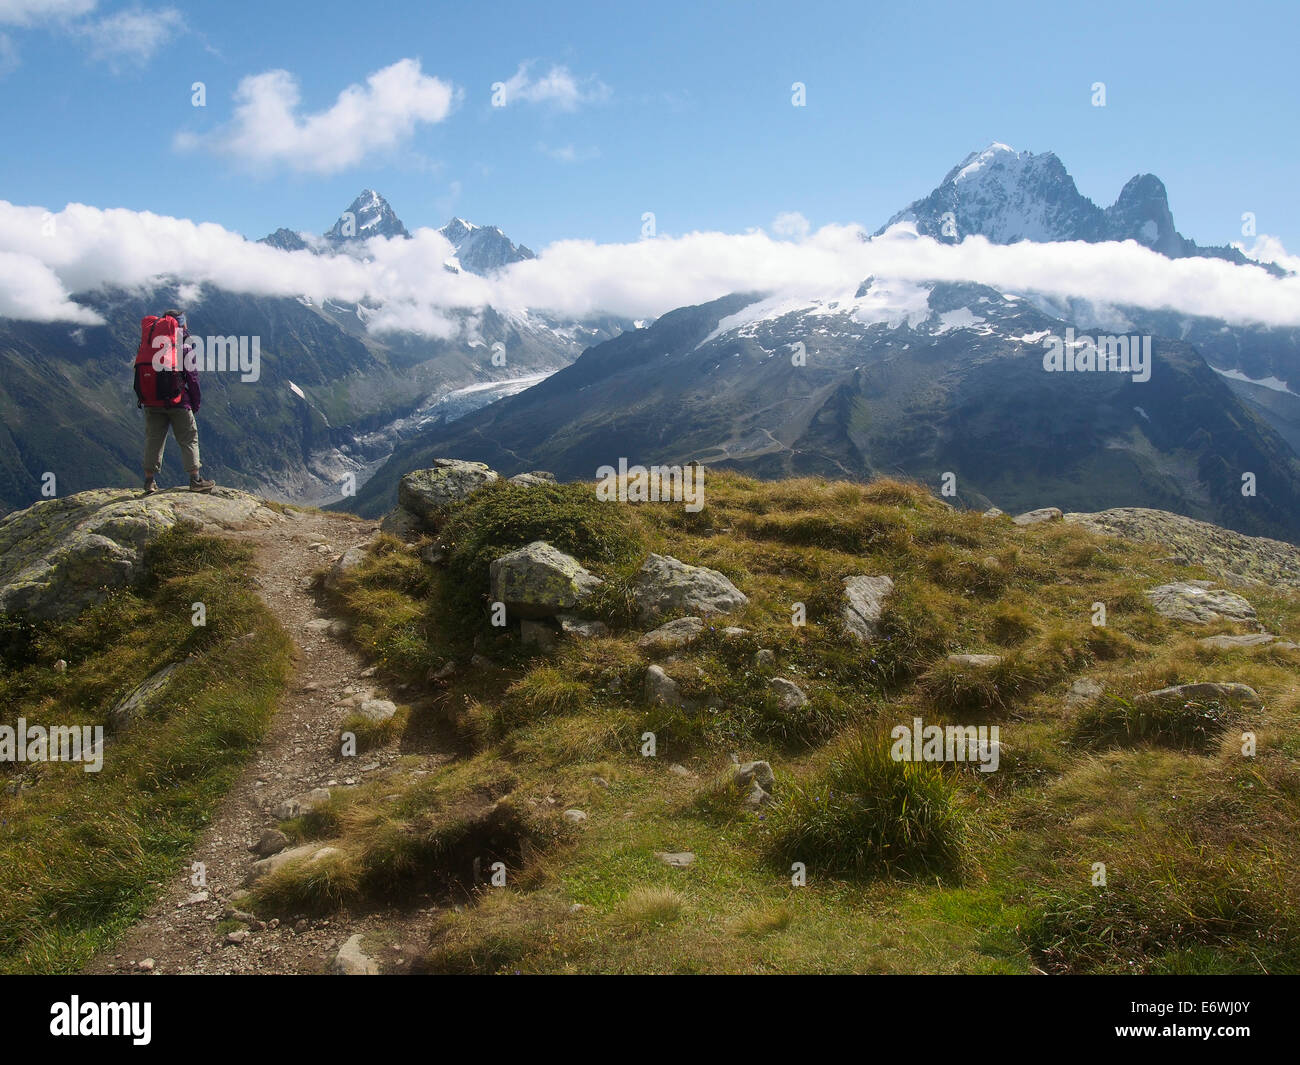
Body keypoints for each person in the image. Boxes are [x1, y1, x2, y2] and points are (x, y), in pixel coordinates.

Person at [139, 309, 215, 494]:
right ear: (181, 323)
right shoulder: (184, 344)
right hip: (178, 401)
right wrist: (195, 403)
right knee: (189, 438)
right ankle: (195, 480)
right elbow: (192, 377)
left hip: (152, 401)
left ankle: (149, 481)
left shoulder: (150, 341)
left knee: (153, 439)